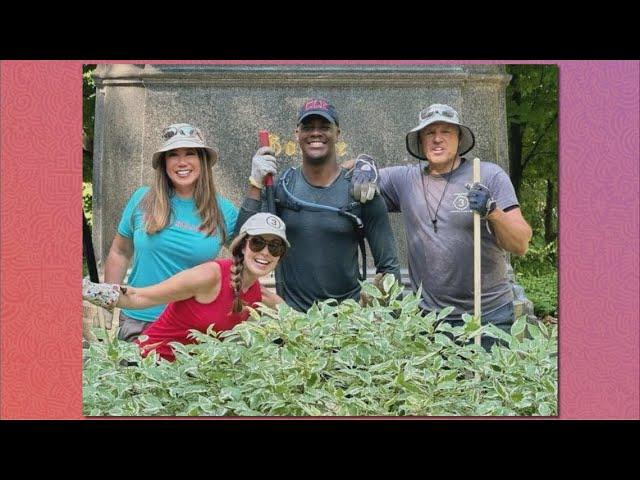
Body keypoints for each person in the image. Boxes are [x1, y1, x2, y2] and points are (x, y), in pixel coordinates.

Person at [349, 103, 532, 349]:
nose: (437, 139)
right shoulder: (405, 179)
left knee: (485, 388)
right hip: (430, 322)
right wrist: (362, 163)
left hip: (487, 316)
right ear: (420, 141)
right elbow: (339, 178)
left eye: (446, 132)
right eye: (429, 133)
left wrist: (492, 211)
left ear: (459, 138)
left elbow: (520, 243)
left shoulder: (487, 175)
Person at [236, 97, 401, 312]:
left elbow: (388, 266)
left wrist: (391, 325)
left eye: (324, 127)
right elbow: (239, 244)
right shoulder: (282, 189)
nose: (316, 133)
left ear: (337, 133)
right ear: (297, 134)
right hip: (292, 324)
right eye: (308, 127)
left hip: (348, 323)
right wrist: (255, 184)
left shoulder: (361, 191)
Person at [83, 213, 287, 361]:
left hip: (188, 380)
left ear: (280, 255)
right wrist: (84, 290)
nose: (265, 252)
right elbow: (139, 297)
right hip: (146, 368)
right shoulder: (210, 275)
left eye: (275, 247)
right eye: (258, 243)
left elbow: (300, 324)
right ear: (243, 246)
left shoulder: (260, 295)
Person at [102, 123, 238, 342]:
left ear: (202, 160)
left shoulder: (225, 211)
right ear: (163, 163)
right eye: (173, 154)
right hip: (139, 322)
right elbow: (120, 251)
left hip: (193, 326)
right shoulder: (142, 199)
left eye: (190, 153)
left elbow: (250, 258)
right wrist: (108, 296)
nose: (182, 162)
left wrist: (256, 188)